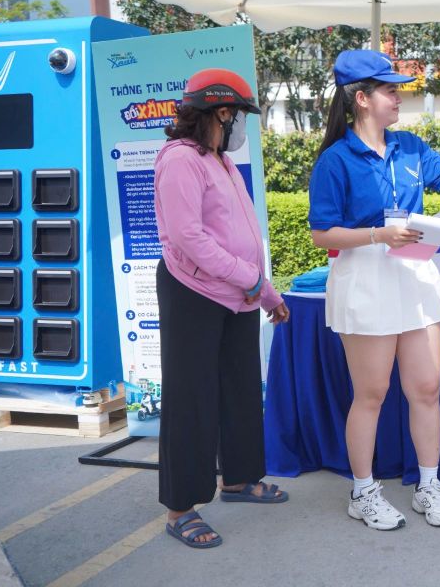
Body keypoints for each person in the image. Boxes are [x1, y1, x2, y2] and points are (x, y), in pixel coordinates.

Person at [308, 49, 440, 530]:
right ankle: (363, 491)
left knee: (426, 389)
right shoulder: (335, 160)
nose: (397, 97)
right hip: (365, 279)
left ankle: (429, 484)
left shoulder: (409, 147)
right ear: (361, 99)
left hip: (415, 276)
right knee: (371, 394)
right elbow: (321, 233)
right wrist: (377, 235)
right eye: (389, 90)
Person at [154, 68, 291, 549]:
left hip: (238, 293)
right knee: (191, 399)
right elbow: (189, 238)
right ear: (220, 113)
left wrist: (266, 292)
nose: (240, 128)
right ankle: (180, 507)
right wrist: (253, 280)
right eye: (238, 118)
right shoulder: (180, 160)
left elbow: (241, 237)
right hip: (193, 292)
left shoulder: (218, 160)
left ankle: (238, 479)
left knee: (238, 388)